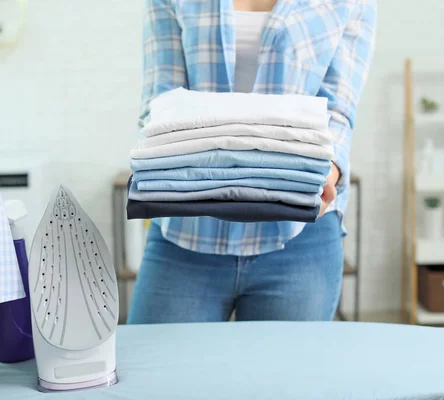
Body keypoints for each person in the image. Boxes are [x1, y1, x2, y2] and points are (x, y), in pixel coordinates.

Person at [127, 0, 376, 323]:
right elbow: (159, 102)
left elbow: (339, 111)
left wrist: (327, 170)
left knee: (282, 375)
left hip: (299, 233)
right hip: (187, 232)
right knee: (158, 369)